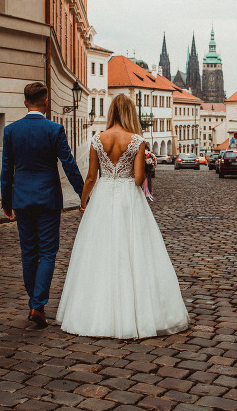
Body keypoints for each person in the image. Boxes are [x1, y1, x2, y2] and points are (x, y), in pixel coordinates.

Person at [56, 94, 189, 338]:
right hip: (129, 199)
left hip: (103, 198)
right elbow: (138, 179)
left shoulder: (98, 139)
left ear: (111, 112)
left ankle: (95, 315)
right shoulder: (136, 140)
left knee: (98, 252)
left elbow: (91, 177)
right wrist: (144, 169)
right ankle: (137, 313)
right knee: (134, 250)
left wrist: (84, 201)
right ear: (130, 112)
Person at [0, 82, 84, 328]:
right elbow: (68, 164)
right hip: (48, 199)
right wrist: (83, 194)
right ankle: (37, 305)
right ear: (46, 102)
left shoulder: (11, 131)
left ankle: (35, 302)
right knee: (48, 252)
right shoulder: (54, 129)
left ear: (25, 102)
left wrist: (7, 202)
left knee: (29, 252)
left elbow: (7, 170)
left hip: (22, 199)